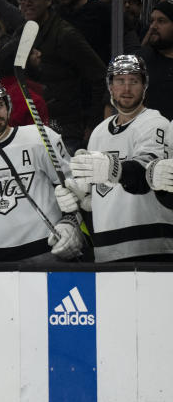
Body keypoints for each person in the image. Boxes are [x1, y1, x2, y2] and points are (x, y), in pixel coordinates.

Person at [0, 79, 84, 263]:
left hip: (45, 251)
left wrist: (71, 222)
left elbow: (72, 187)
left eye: (0, 105)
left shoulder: (40, 137)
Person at [64, 55, 173, 261]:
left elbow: (147, 174)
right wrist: (81, 199)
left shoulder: (156, 123)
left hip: (151, 249)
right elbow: (98, 193)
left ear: (144, 85)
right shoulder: (99, 131)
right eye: (120, 81)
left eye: (134, 81)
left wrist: (115, 169)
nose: (126, 89)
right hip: (105, 251)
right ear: (110, 86)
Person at [0, 0, 106, 154]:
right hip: (30, 125)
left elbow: (100, 77)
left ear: (48, 0)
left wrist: (93, 124)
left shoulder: (65, 34)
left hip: (65, 128)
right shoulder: (22, 31)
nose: (26, 3)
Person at [137, 0, 173, 121]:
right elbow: (113, 103)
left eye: (161, 21)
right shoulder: (139, 60)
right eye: (152, 21)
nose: (153, 26)